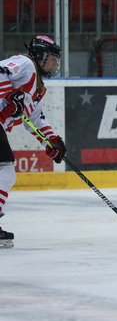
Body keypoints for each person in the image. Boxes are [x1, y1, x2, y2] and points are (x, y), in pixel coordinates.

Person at [0, 36, 66, 248]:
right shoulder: (25, 64)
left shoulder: (39, 88)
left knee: (4, 171)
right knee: (5, 171)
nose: (55, 64)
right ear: (40, 56)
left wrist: (52, 141)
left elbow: (34, 120)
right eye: (53, 59)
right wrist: (9, 97)